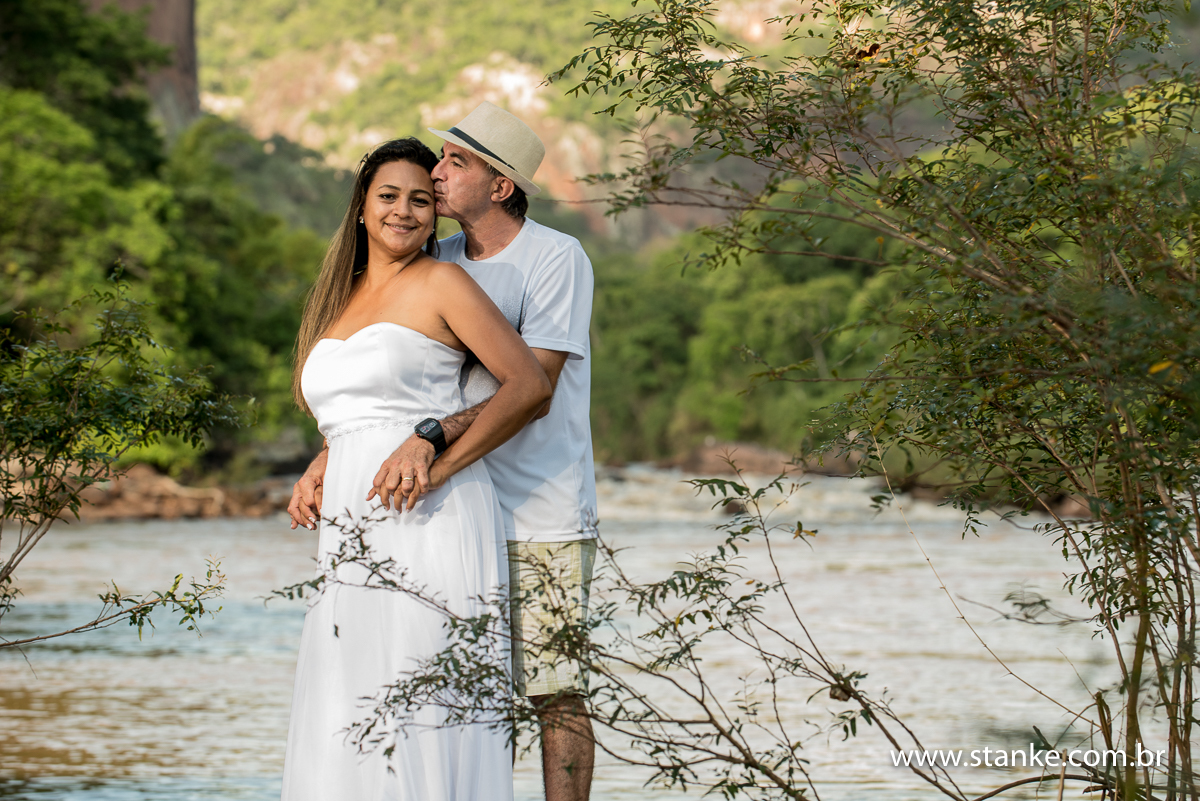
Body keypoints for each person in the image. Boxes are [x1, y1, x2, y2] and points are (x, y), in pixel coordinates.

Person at [289, 102, 599, 801]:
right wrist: (332, 455)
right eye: (437, 161)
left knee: (554, 690)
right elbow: (396, 388)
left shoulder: (554, 258)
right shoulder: (439, 257)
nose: (436, 173)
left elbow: (535, 383)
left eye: (455, 162)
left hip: (539, 504)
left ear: (499, 184)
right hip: (454, 503)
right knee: (449, 688)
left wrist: (436, 452)